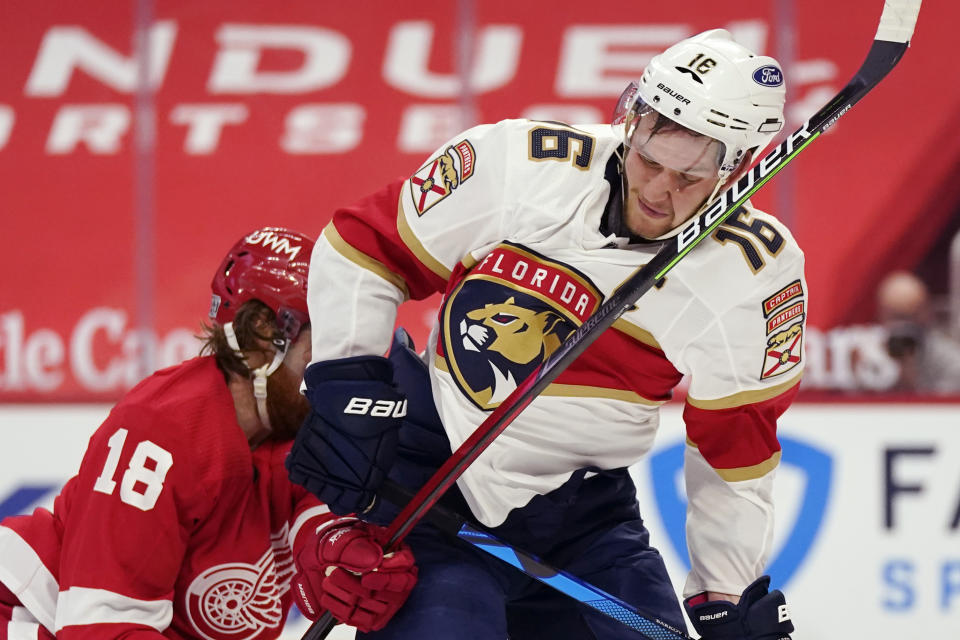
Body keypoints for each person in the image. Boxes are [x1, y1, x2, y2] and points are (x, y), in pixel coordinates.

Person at [288, 29, 803, 640]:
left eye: (688, 178)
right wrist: (349, 377)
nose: (658, 191)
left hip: (584, 522)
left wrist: (725, 590)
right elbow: (364, 249)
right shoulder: (518, 163)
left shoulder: (754, 276)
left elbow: (734, 447)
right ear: (633, 117)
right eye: (648, 158)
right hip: (432, 484)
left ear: (739, 168)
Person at [0, 227, 417, 640]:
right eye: (320, 352)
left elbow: (318, 538)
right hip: (29, 617)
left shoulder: (299, 429)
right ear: (261, 334)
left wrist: (342, 561)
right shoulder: (159, 435)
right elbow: (103, 629)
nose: (334, 376)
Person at [876, 269, 960, 393]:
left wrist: (913, 380)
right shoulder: (868, 350)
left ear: (927, 313)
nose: (903, 327)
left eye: (910, 316)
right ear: (880, 315)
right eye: (896, 316)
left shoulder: (949, 360)